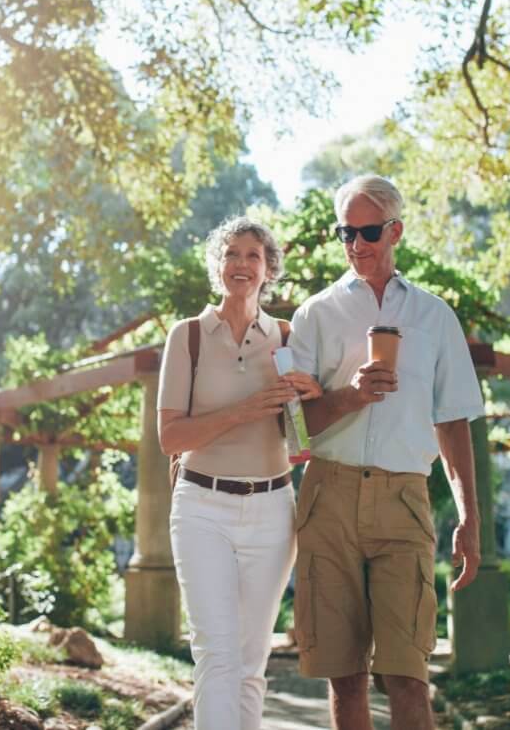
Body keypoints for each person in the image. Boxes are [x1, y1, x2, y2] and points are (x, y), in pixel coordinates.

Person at [289, 175, 484, 730]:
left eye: (368, 230)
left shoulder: (435, 316)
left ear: (395, 230)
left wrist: (469, 518)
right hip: (329, 496)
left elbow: (452, 421)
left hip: (405, 499)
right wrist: (351, 396)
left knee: (407, 673)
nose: (355, 244)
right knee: (345, 675)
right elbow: (295, 428)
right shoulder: (315, 315)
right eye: (344, 232)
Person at [157, 216, 322, 730]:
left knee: (251, 663)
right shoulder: (186, 338)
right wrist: (246, 409)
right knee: (216, 653)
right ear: (218, 266)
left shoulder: (287, 336)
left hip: (273, 509)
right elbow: (171, 438)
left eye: (253, 255)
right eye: (231, 254)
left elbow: (300, 440)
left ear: (269, 268)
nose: (242, 264)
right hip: (202, 507)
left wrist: (309, 401)